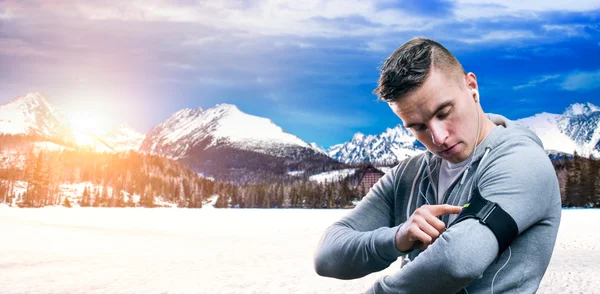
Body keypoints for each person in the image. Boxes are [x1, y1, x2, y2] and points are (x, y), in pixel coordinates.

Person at [313, 37, 561, 293]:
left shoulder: (523, 162)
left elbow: (458, 260)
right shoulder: (408, 175)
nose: (438, 138)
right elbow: (327, 255)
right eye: (418, 127)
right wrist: (398, 237)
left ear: (472, 87)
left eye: (444, 113)